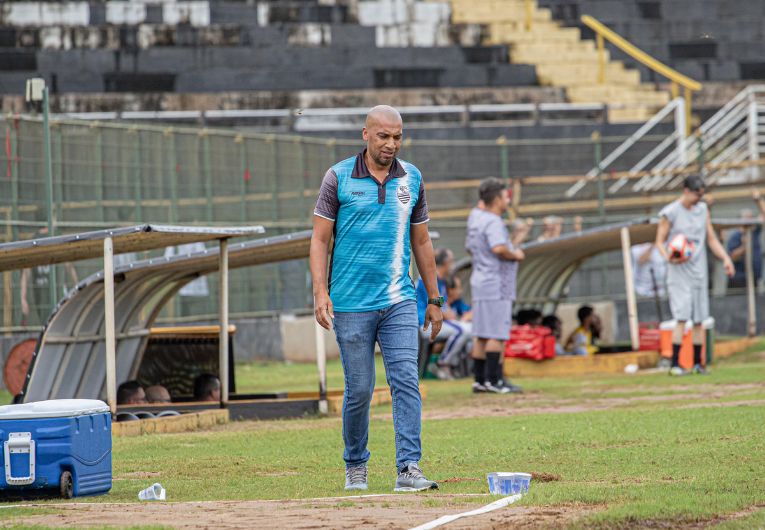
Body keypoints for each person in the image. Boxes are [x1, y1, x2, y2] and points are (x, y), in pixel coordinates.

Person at [310, 105, 440, 492]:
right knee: (360, 389)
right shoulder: (338, 178)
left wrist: (434, 298)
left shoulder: (412, 178)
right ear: (365, 134)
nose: (391, 144)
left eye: (398, 136)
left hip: (399, 299)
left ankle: (408, 468)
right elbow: (319, 239)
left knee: (406, 381)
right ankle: (355, 464)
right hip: (350, 304)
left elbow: (422, 240)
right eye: (383, 136)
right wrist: (320, 291)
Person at [655, 175, 735, 376]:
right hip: (678, 271)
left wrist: (725, 258)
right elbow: (659, 241)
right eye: (695, 195)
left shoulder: (702, 210)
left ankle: (699, 364)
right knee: (682, 316)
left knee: (700, 317)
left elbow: (711, 238)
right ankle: (675, 363)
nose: (698, 199)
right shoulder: (671, 212)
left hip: (698, 271)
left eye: (701, 195)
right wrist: (669, 258)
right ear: (686, 191)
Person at [466, 177, 525, 394]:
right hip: (496, 282)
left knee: (481, 333)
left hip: (480, 280)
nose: (507, 199)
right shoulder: (492, 221)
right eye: (505, 195)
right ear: (497, 199)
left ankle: (480, 380)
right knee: (496, 334)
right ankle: (495, 380)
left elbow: (470, 249)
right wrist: (516, 254)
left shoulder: (475, 217)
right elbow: (499, 248)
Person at [416, 249, 471, 379]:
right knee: (463, 331)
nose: (452, 265)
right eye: (451, 261)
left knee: (469, 329)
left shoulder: (440, 281)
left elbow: (442, 303)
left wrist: (447, 312)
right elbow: (435, 304)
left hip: (437, 322)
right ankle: (443, 363)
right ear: (445, 263)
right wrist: (446, 313)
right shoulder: (427, 279)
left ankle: (452, 365)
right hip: (424, 324)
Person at [20, 227, 78, 326]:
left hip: (55, 293)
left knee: (57, 320)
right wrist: (23, 298)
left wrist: (77, 286)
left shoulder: (54, 236)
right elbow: (26, 272)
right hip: (42, 293)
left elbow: (69, 266)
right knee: (49, 322)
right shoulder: (37, 239)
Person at [726, 188, 765, 288]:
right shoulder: (735, 237)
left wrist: (758, 200)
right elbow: (732, 257)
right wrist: (744, 247)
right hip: (739, 280)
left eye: (751, 217)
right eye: (748, 218)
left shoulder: (754, 232)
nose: (751, 220)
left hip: (754, 277)